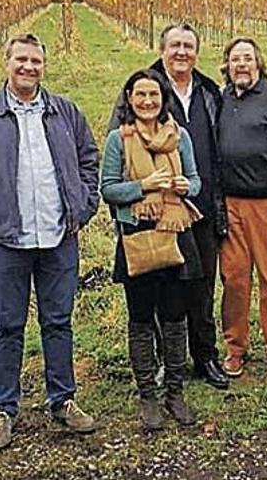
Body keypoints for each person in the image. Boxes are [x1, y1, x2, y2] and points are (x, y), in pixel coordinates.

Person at [0, 34, 99, 450]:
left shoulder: (64, 111)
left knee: (58, 322)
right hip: (4, 241)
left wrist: (82, 207)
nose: (28, 67)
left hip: (58, 237)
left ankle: (63, 399)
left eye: (36, 60)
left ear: (43, 65)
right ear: (6, 62)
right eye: (21, 59)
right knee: (8, 326)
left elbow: (88, 159)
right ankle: (2, 408)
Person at [107, 23, 229, 390]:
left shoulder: (209, 91)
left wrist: (196, 190)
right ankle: (160, 363)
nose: (181, 52)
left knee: (200, 287)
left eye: (188, 46)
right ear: (162, 49)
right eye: (175, 45)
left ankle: (204, 355)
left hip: (195, 211)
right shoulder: (141, 91)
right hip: (146, 218)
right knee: (156, 295)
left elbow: (211, 157)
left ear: (197, 51)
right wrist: (140, 192)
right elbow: (116, 168)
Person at [102, 69, 202, 429]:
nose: (147, 101)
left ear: (164, 99)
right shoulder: (119, 139)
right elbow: (108, 189)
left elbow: (196, 181)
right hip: (138, 237)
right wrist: (143, 185)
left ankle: (175, 393)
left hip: (175, 234)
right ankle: (148, 396)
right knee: (141, 318)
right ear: (129, 98)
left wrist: (182, 185)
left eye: (154, 95)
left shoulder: (180, 136)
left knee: (176, 318)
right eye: (140, 95)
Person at [217, 37, 267, 384]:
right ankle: (235, 347)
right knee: (234, 278)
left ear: (258, 63)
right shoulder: (220, 99)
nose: (242, 65)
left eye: (248, 58)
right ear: (227, 66)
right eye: (236, 59)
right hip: (230, 203)